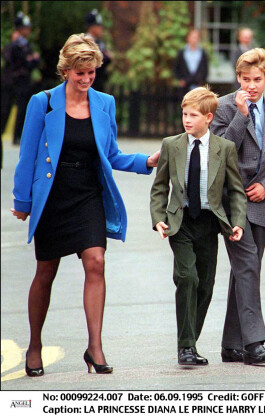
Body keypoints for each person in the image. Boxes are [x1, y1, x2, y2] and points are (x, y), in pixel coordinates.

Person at [11, 34, 160, 377]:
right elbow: (28, 154)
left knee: (96, 262)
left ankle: (95, 347)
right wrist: (23, 201)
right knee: (45, 273)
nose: (86, 79)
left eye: (91, 72)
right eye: (80, 73)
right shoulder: (43, 102)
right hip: (53, 194)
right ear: (66, 70)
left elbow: (111, 155)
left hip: (87, 194)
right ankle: (34, 345)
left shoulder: (105, 103)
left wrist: (145, 161)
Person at [150, 87, 247, 366]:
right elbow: (159, 187)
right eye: (184, 114)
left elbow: (236, 191)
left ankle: (190, 341)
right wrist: (158, 216)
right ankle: (186, 347)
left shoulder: (224, 148)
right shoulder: (172, 145)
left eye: (193, 115)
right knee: (187, 278)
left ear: (209, 118)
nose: (187, 120)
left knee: (205, 285)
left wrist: (237, 222)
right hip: (179, 223)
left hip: (209, 223)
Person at [210, 48, 265, 365]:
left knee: (244, 269)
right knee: (248, 265)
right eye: (245, 79)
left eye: (257, 80)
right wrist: (241, 116)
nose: (251, 86)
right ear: (237, 78)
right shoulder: (222, 107)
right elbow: (219, 151)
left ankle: (231, 344)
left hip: (260, 200)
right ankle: (253, 343)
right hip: (230, 200)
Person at [1, 12, 41, 147]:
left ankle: (17, 135)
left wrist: (31, 59)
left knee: (22, 109)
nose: (28, 30)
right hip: (12, 81)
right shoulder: (14, 44)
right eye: (25, 27)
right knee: (5, 108)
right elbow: (18, 60)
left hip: (23, 81)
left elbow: (35, 60)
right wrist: (29, 59)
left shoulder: (25, 44)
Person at [173, 28, 209, 93]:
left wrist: (201, 81)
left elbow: (205, 69)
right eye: (193, 37)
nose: (194, 40)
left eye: (196, 37)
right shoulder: (182, 53)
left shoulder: (203, 53)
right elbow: (176, 68)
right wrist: (181, 80)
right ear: (188, 38)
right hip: (185, 85)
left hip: (198, 85)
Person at [85, 9, 112, 92]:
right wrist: (106, 56)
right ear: (92, 27)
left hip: (99, 82)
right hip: (88, 84)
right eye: (99, 26)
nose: (101, 28)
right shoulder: (85, 41)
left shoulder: (99, 42)